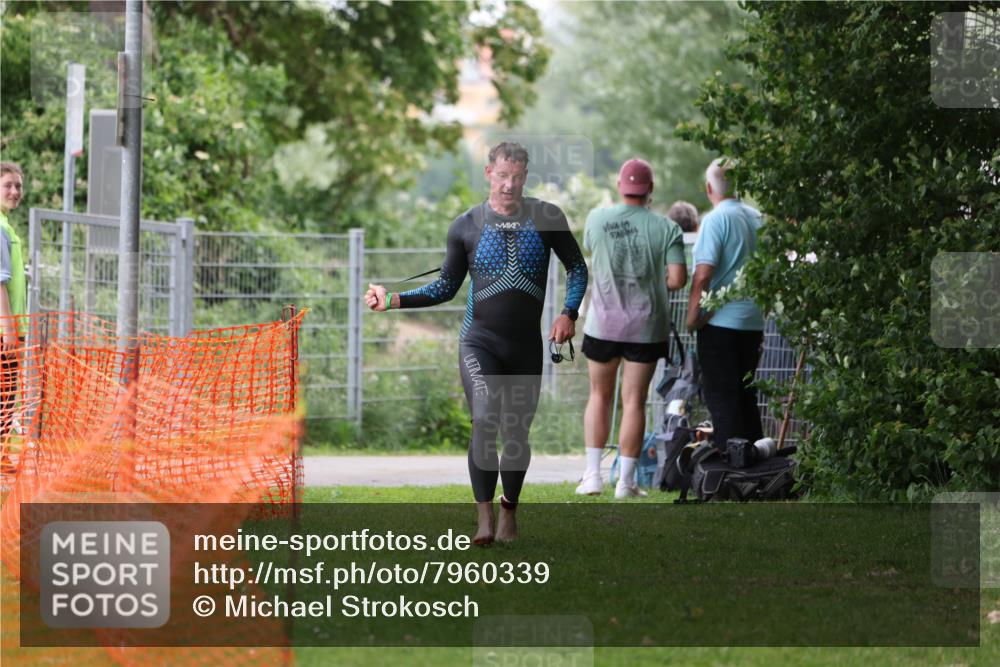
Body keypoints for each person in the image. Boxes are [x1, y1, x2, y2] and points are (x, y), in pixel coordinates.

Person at [365, 142, 588, 544]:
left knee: (517, 433)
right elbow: (445, 288)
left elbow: (577, 267)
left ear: (525, 176)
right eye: (502, 176)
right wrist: (392, 301)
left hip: (524, 347)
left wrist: (568, 313)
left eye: (517, 177)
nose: (509, 185)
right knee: (485, 421)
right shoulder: (466, 225)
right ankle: (483, 519)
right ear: (489, 173)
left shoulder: (546, 217)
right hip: (478, 343)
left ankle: (508, 513)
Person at [576, 159, 687, 498]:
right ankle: (626, 482)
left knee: (599, 395)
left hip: (603, 324)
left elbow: (594, 251)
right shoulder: (668, 228)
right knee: (634, 401)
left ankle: (593, 476)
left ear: (620, 187)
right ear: (649, 190)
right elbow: (677, 279)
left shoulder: (597, 218)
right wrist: (653, 281)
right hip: (645, 327)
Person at [685, 157, 765, 451]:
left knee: (722, 398)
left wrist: (693, 317)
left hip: (719, 323)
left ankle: (732, 471)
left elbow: (703, 274)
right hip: (753, 322)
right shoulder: (758, 218)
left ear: (709, 187)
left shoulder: (716, 220)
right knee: (746, 397)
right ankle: (758, 467)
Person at [1, 162, 27, 474]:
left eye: (18, 186)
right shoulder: (0, 228)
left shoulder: (6, 226)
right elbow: (0, 282)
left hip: (8, 328)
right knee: (5, 395)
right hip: (4, 331)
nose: (14, 191)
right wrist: (9, 330)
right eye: (8, 185)